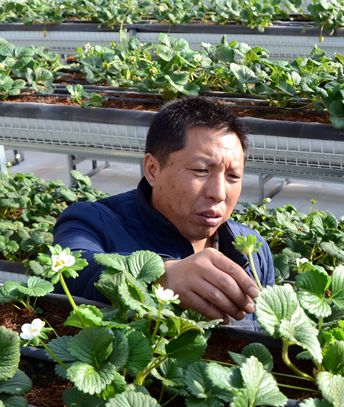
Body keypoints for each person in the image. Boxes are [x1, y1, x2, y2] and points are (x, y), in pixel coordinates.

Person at [52, 97, 274, 324]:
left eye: (233, 176)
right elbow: (71, 271)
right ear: (152, 170)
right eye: (201, 170)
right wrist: (160, 275)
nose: (219, 193)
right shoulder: (90, 223)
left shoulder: (253, 248)